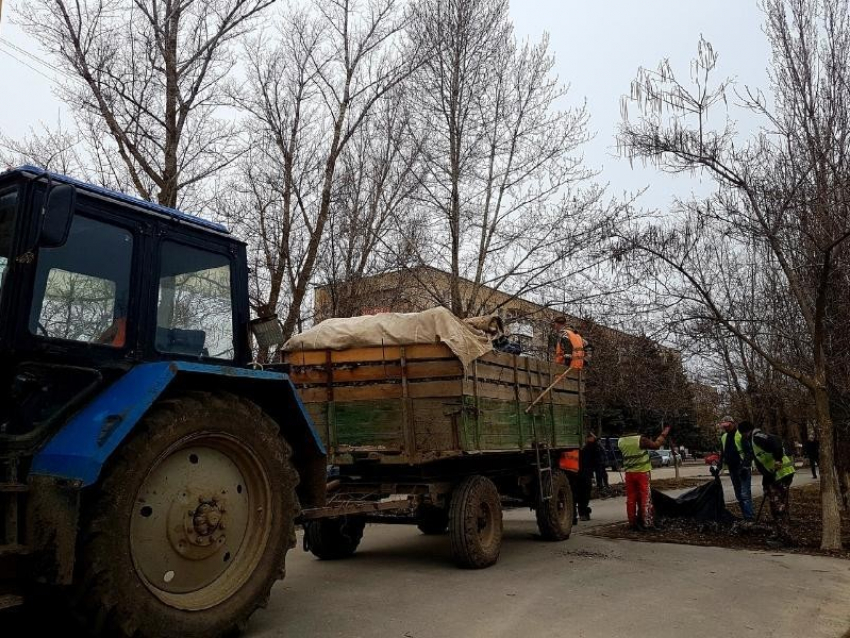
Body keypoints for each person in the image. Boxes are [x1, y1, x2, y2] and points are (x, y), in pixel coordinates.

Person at [738, 420, 796, 546]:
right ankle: (781, 533)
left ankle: (785, 538)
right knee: (777, 506)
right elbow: (764, 465)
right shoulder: (754, 441)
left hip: (782, 474)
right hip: (775, 476)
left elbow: (775, 442)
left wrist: (778, 459)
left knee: (778, 508)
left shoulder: (757, 437)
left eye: (742, 434)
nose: (743, 437)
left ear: (745, 432)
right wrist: (766, 484)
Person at [618, 425, 671, 530]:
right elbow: (656, 445)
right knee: (645, 498)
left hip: (629, 473)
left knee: (631, 499)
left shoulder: (620, 441)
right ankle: (647, 522)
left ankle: (632, 523)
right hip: (642, 473)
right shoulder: (640, 440)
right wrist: (663, 434)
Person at [717, 415, 754, 521]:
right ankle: (746, 516)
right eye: (724, 426)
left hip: (742, 468)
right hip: (732, 469)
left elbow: (749, 452)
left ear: (733, 424)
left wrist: (745, 466)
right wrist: (719, 466)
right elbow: (723, 453)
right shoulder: (724, 437)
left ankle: (749, 518)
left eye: (727, 426)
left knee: (745, 494)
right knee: (738, 494)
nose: (726, 428)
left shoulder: (740, 435)